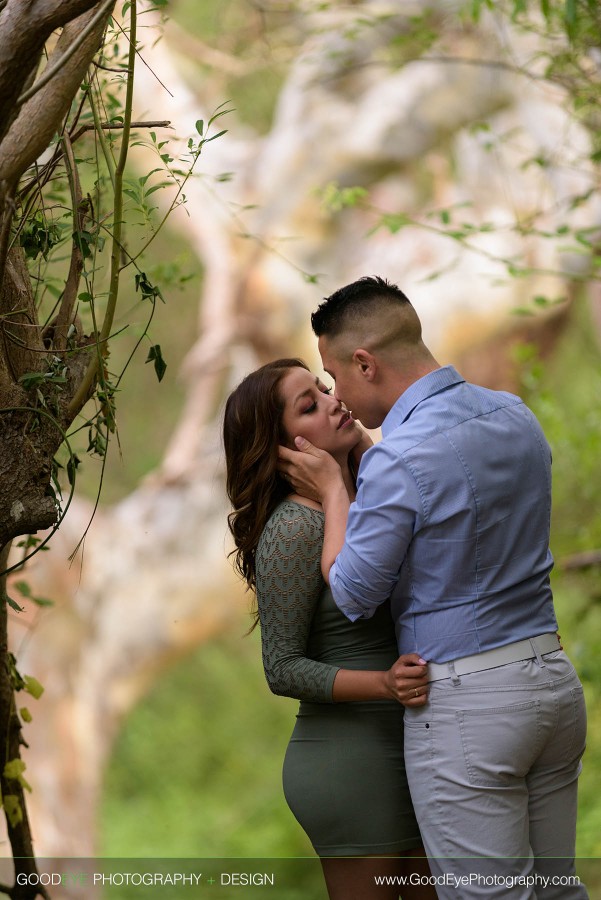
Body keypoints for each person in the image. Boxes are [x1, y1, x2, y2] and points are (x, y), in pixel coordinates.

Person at [278, 277, 589, 900]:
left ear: (365, 362)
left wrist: (338, 492)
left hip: (472, 706)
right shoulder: (516, 415)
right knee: (557, 892)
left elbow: (356, 592)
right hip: (553, 684)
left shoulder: (402, 455)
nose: (335, 394)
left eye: (333, 376)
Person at [223, 358, 437, 900]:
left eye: (323, 388)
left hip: (412, 748)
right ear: (283, 447)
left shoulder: (368, 503)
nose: (333, 400)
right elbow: (282, 668)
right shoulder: (297, 526)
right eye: (309, 404)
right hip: (351, 763)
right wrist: (384, 685)